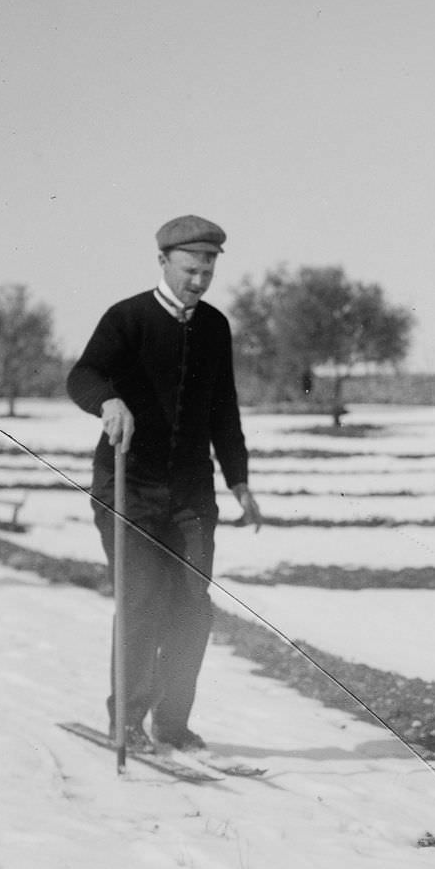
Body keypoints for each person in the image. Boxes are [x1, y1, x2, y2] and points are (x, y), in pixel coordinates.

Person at [67, 214, 262, 753]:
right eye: (188, 270)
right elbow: (82, 375)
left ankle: (172, 724)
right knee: (143, 600)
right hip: (127, 484)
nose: (198, 281)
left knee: (192, 605)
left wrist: (239, 480)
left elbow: (224, 409)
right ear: (163, 262)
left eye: (207, 271)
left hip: (192, 495)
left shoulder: (215, 326)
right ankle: (125, 723)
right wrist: (107, 401)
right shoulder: (127, 318)